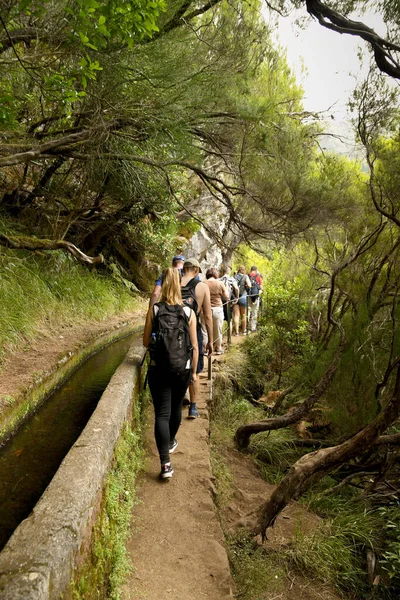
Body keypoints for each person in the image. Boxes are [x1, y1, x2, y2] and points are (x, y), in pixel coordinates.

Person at [143, 267, 199, 479]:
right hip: (181, 370)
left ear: (164, 284)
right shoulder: (188, 312)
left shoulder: (155, 310)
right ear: (180, 285)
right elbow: (194, 346)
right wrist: (193, 373)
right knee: (176, 408)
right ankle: (171, 440)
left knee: (161, 414)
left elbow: (146, 341)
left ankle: (165, 465)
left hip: (160, 369)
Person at [181, 258, 213, 418]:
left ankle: (177, 399)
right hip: (194, 332)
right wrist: (211, 341)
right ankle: (193, 408)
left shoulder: (173, 283)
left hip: (173, 333)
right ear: (196, 270)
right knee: (196, 370)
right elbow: (207, 316)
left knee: (176, 365)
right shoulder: (202, 287)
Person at [205, 267, 229, 354]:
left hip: (205, 309)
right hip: (217, 309)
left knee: (205, 329)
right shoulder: (220, 283)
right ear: (216, 274)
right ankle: (218, 348)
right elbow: (227, 296)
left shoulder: (203, 283)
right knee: (217, 329)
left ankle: (205, 348)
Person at [219, 264, 239, 335]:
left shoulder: (219, 279)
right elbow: (236, 288)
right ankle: (229, 339)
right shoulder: (232, 279)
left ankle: (221, 338)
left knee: (220, 320)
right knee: (229, 320)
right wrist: (237, 297)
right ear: (229, 271)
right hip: (229, 301)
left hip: (220, 301)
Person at [233, 265, 251, 336]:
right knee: (243, 315)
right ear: (244, 270)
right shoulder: (245, 276)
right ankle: (244, 331)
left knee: (236, 315)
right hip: (243, 297)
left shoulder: (235, 276)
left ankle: (236, 332)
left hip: (235, 298)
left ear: (238, 270)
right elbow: (249, 285)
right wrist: (246, 286)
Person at [248, 265, 263, 332]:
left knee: (248, 310)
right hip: (256, 296)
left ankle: (246, 326)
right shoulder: (259, 277)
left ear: (251, 270)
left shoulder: (247, 276)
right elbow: (261, 287)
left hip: (248, 296)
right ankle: (253, 328)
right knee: (254, 311)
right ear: (256, 270)